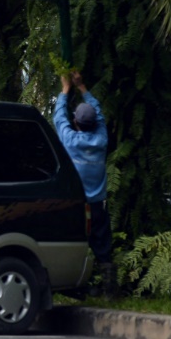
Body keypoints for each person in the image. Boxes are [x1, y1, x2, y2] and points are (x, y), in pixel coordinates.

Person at [54, 70, 114, 296]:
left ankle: (75, 287)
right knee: (103, 245)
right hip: (98, 205)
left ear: (76, 122)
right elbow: (99, 114)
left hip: (77, 205)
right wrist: (82, 87)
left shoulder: (70, 141)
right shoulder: (101, 140)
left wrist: (65, 89)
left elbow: (59, 117)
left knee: (75, 243)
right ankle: (109, 288)